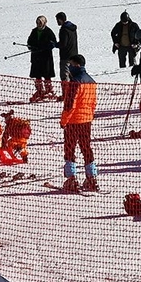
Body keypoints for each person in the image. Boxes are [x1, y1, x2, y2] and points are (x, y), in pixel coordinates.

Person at [60, 54, 98, 192]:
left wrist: (64, 121)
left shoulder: (75, 82)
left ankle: (71, 179)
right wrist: (90, 116)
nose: (69, 67)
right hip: (86, 120)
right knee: (86, 148)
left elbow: (70, 105)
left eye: (70, 64)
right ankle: (92, 177)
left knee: (70, 148)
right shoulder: (91, 81)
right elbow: (94, 103)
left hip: (74, 121)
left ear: (76, 65)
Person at [27, 15, 57, 102]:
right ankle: (40, 90)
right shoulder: (34, 31)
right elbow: (29, 41)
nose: (38, 24)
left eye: (40, 22)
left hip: (46, 57)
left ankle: (49, 90)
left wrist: (47, 46)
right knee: (37, 75)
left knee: (47, 74)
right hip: (36, 57)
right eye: (37, 22)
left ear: (44, 22)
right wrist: (31, 47)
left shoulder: (48, 32)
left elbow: (53, 42)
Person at [55, 12, 78, 82]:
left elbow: (63, 44)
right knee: (73, 76)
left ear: (60, 19)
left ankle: (66, 92)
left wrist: (55, 45)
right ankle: (73, 92)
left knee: (65, 76)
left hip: (66, 56)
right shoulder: (72, 28)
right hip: (74, 54)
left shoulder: (64, 29)